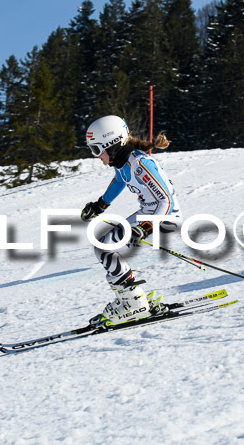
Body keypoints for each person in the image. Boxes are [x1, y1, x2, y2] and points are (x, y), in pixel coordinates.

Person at [81, 115, 182, 327]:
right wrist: (100, 205)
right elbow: (119, 180)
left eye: (97, 150)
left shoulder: (141, 164)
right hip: (149, 213)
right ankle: (136, 299)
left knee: (104, 247)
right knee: (104, 245)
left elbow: (167, 200)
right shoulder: (123, 162)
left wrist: (146, 227)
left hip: (164, 217)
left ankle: (133, 303)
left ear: (113, 145)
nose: (96, 156)